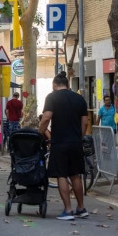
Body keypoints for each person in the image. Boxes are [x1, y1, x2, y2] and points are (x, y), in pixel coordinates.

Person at [39, 71, 90, 221]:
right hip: (75, 142)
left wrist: (39, 132)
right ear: (67, 85)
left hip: (59, 142)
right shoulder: (79, 99)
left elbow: (46, 117)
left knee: (61, 175)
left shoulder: (51, 97)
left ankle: (68, 210)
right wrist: (79, 138)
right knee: (75, 175)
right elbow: (85, 122)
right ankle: (81, 208)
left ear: (54, 85)